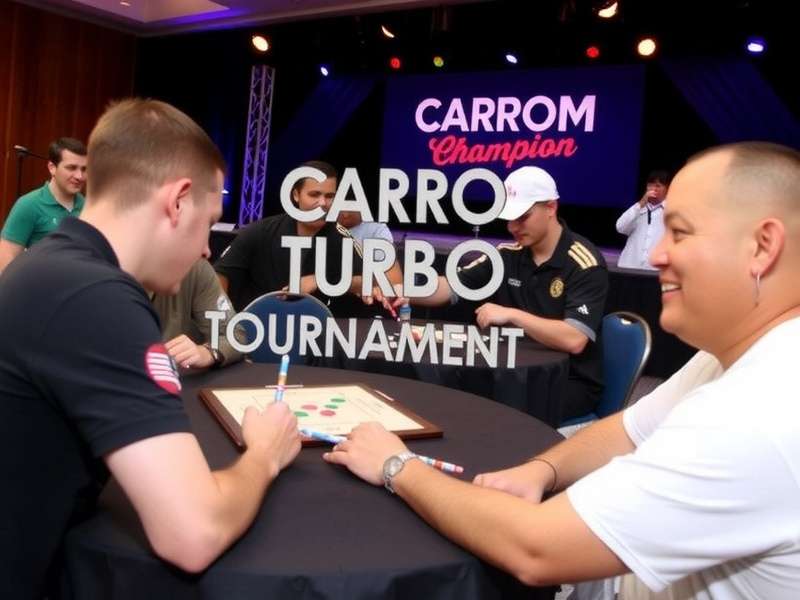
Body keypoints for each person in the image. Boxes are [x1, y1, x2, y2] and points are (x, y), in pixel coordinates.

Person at [324, 142, 800, 599]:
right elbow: (632, 429)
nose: (655, 255)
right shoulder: (727, 358)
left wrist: (395, 465)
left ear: (763, 246)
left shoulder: (759, 413)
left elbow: (536, 550)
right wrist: (543, 469)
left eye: (680, 232)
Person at [0, 99, 300, 599]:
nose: (208, 249)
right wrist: (266, 453)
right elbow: (193, 533)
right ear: (178, 201)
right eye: (209, 222)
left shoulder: (52, 268)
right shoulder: (96, 297)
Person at [404, 165, 608, 421]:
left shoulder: (584, 262)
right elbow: (448, 287)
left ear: (551, 208)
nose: (512, 227)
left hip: (566, 382)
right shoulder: (506, 254)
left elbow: (574, 339)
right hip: (512, 370)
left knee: (493, 414)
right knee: (453, 393)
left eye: (522, 216)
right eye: (509, 217)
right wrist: (395, 289)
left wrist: (512, 315)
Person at [214, 161, 390, 317]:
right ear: (296, 195)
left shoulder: (341, 238)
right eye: (314, 194)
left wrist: (320, 280)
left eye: (330, 196)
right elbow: (220, 274)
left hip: (312, 334)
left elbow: (368, 281)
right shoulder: (260, 231)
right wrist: (223, 323)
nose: (323, 203)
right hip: (257, 328)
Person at [0, 137, 88, 273]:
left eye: (84, 169)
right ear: (52, 168)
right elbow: (5, 262)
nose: (79, 176)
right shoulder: (28, 205)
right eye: (71, 168)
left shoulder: (89, 206)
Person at [150, 258, 244, 369]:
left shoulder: (195, 268)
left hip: (179, 380)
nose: (207, 251)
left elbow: (236, 336)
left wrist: (207, 352)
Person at [615, 170, 670, 270]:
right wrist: (640, 203)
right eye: (650, 185)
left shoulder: (671, 211)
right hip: (629, 266)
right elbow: (620, 227)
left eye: (658, 186)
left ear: (667, 188)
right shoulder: (638, 208)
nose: (653, 189)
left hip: (654, 270)